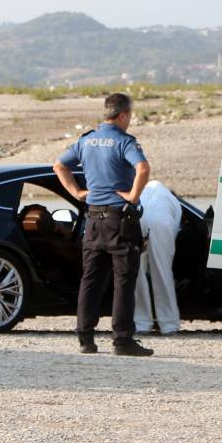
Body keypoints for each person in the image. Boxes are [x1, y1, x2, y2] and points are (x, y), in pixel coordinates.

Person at [53, 92, 152, 356]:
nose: (130, 120)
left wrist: (77, 192)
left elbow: (59, 166)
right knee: (123, 279)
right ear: (122, 115)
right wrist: (133, 196)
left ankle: (85, 338)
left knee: (91, 279)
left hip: (93, 219)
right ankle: (122, 340)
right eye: (129, 115)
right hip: (119, 219)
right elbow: (143, 169)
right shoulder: (124, 142)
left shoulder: (87, 140)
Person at [133, 180, 182, 335]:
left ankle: (141, 323)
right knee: (162, 271)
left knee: (135, 272)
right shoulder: (172, 201)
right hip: (161, 220)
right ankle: (169, 324)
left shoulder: (146, 190)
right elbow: (172, 235)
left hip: (137, 216)